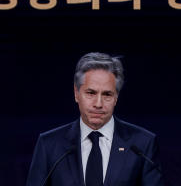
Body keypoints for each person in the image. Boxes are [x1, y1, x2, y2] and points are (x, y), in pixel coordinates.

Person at [26, 52, 164, 186]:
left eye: (107, 94)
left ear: (116, 97)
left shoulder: (142, 145)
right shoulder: (49, 145)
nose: (98, 104)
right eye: (91, 93)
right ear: (76, 93)